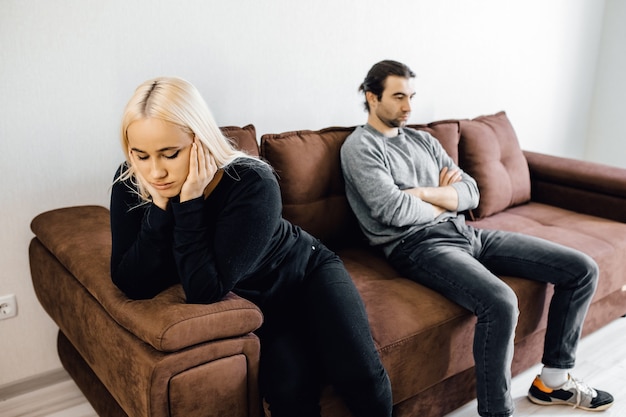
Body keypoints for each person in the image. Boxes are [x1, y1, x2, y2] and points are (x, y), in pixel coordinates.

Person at [339, 60, 614, 417]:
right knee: (500, 302)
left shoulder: (423, 139)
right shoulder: (360, 148)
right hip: (418, 246)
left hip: (466, 233)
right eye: (398, 97)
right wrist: (442, 197)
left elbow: (471, 193)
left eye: (411, 96)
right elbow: (393, 211)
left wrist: (421, 194)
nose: (408, 107)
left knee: (581, 268)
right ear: (371, 97)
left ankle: (553, 382)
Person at [110, 76, 392, 417]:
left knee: (358, 373)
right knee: (289, 387)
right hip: (254, 303)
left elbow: (204, 286)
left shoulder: (252, 182)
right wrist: (161, 208)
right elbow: (132, 282)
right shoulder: (132, 183)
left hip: (306, 276)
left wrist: (189, 203)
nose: (155, 172)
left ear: (200, 140)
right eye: (140, 155)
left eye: (170, 154)